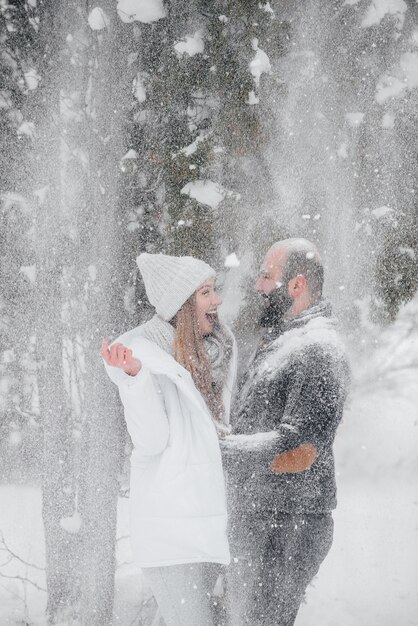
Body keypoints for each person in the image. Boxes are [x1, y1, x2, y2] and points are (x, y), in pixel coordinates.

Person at [100, 252, 237, 626]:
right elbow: (152, 440)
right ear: (182, 305)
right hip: (171, 529)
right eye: (206, 293)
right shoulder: (148, 359)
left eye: (214, 290)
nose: (217, 301)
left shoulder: (212, 355)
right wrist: (135, 379)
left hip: (208, 526)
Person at [223, 238, 351, 626]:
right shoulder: (285, 342)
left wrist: (219, 451)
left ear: (297, 285)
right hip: (263, 521)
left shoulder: (318, 350)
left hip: (287, 525)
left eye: (266, 276)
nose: (258, 285)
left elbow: (300, 452)